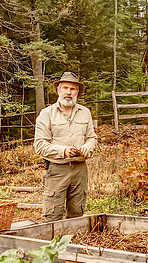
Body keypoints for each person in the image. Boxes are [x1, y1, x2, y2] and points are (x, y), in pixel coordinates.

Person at [34, 72, 97, 222]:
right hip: (57, 170)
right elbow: (39, 145)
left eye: (72, 89)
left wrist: (88, 147)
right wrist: (63, 151)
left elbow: (91, 137)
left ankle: (72, 243)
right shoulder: (46, 114)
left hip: (80, 170)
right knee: (53, 215)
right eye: (65, 88)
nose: (69, 92)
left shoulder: (85, 112)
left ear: (77, 92)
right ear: (58, 90)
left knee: (77, 214)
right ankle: (54, 245)